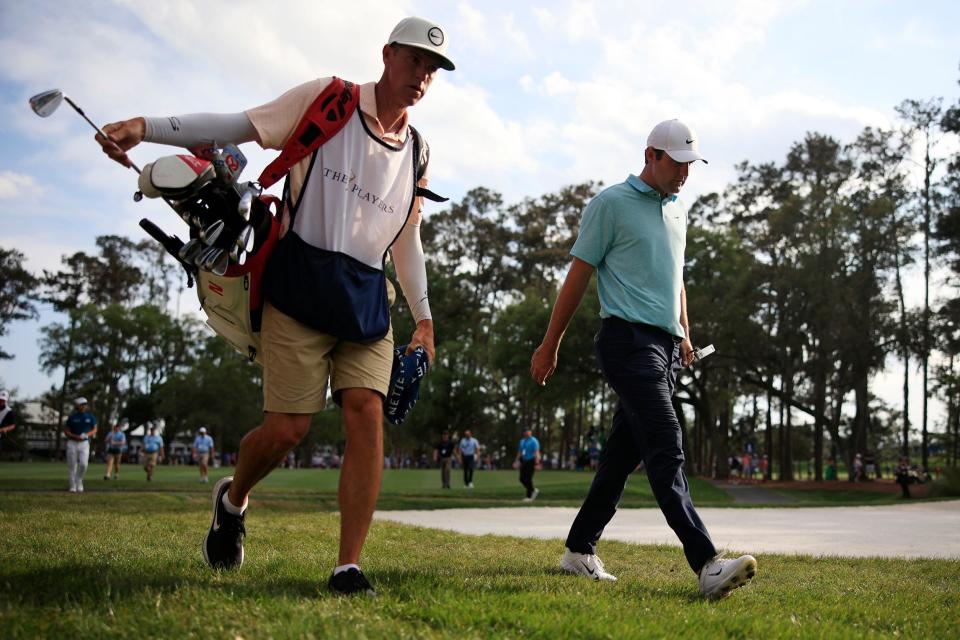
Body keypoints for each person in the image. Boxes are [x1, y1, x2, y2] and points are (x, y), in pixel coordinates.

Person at [96, 16, 453, 596]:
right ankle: (233, 499)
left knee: (366, 411)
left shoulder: (417, 150)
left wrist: (425, 317)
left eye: (432, 69)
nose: (422, 76)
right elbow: (239, 125)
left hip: (366, 300)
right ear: (387, 55)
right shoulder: (327, 99)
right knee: (287, 429)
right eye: (414, 60)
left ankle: (347, 567)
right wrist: (146, 126)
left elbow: (407, 236)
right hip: (297, 283)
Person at [530, 120, 756, 598]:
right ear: (651, 155)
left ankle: (578, 550)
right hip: (627, 343)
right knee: (666, 440)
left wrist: (685, 336)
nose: (684, 175)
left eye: (690, 166)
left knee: (619, 460)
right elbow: (578, 275)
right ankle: (707, 563)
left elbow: (676, 280)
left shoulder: (678, 212)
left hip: (667, 349)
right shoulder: (610, 204)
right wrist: (550, 343)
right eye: (676, 163)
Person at [64, 397, 97, 493]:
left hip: (84, 443)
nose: (84, 406)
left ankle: (79, 480)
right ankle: (72, 485)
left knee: (83, 464)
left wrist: (86, 434)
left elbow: (94, 429)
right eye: (82, 405)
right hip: (72, 443)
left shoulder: (90, 417)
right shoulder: (72, 417)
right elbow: (66, 431)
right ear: (77, 406)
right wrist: (75, 436)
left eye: (85, 404)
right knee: (72, 465)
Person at [514, 428, 540, 501]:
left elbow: (536, 452)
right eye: (526, 432)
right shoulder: (522, 441)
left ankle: (529, 496)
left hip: (531, 460)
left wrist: (537, 463)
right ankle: (533, 490)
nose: (528, 433)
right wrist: (516, 461)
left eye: (529, 432)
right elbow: (520, 452)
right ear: (524, 433)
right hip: (524, 461)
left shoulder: (534, 441)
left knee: (528, 478)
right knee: (522, 479)